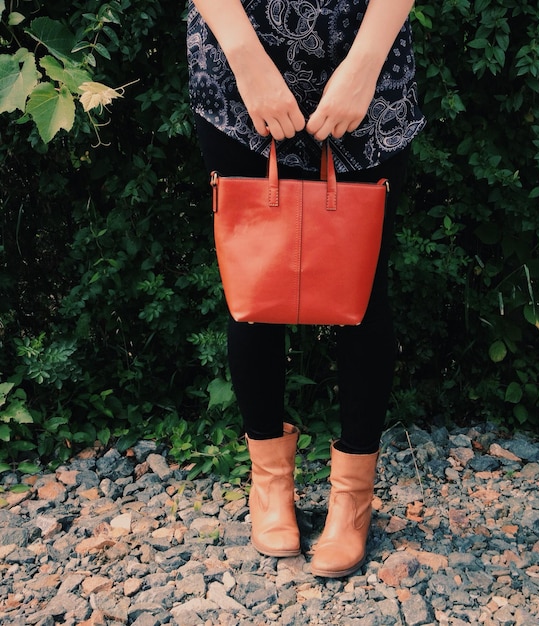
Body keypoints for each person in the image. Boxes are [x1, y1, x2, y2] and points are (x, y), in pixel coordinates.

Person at [187, 0, 425, 578]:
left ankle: (352, 501)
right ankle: (270, 487)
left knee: (363, 293)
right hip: (238, 62)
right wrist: (247, 62)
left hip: (363, 55)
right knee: (256, 290)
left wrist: (364, 66)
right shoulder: (242, 65)